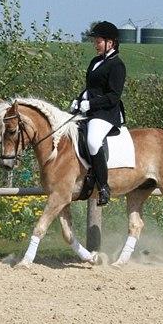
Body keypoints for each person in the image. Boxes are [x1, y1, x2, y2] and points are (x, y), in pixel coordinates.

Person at [70, 20, 127, 206]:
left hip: (107, 113)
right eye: (95, 41)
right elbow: (91, 88)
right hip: (91, 110)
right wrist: (79, 100)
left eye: (99, 41)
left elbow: (113, 96)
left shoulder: (117, 65)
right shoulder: (95, 62)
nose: (95, 44)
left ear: (110, 43)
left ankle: (103, 187)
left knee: (93, 141)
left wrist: (90, 104)